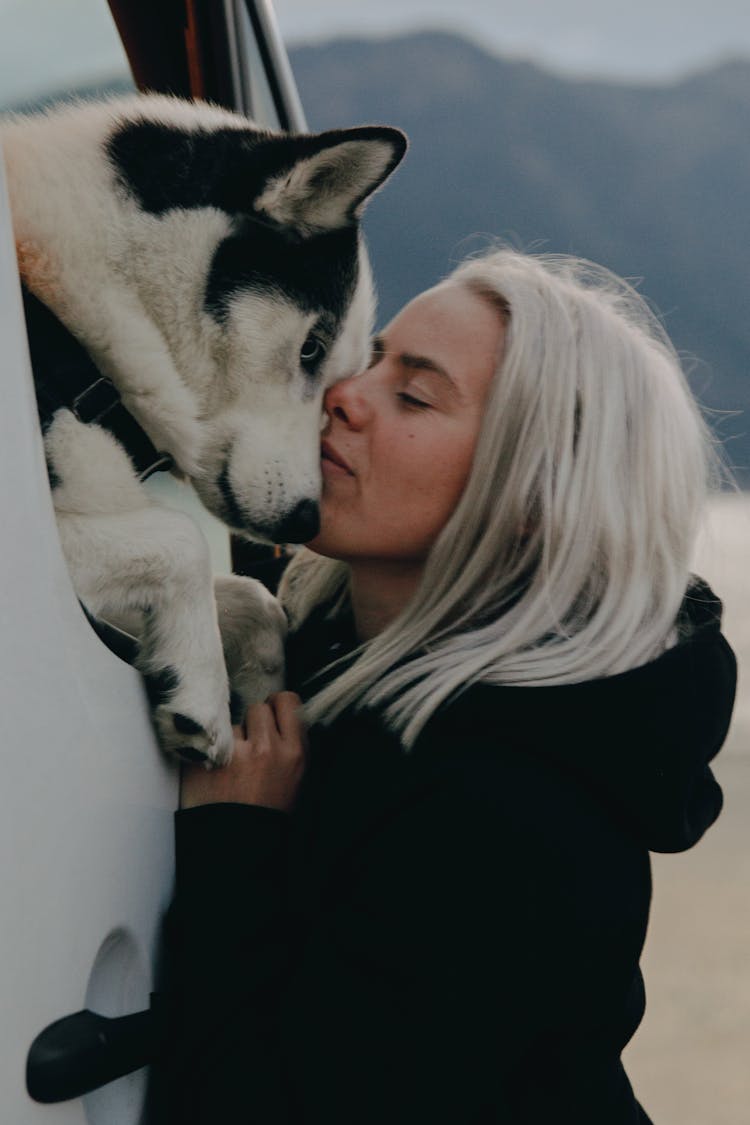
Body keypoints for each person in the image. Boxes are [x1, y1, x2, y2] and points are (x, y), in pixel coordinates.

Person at [161, 248, 737, 1124]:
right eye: (370, 357)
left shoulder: (509, 821)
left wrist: (235, 845)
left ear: (533, 495)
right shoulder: (323, 665)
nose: (341, 392)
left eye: (415, 394)